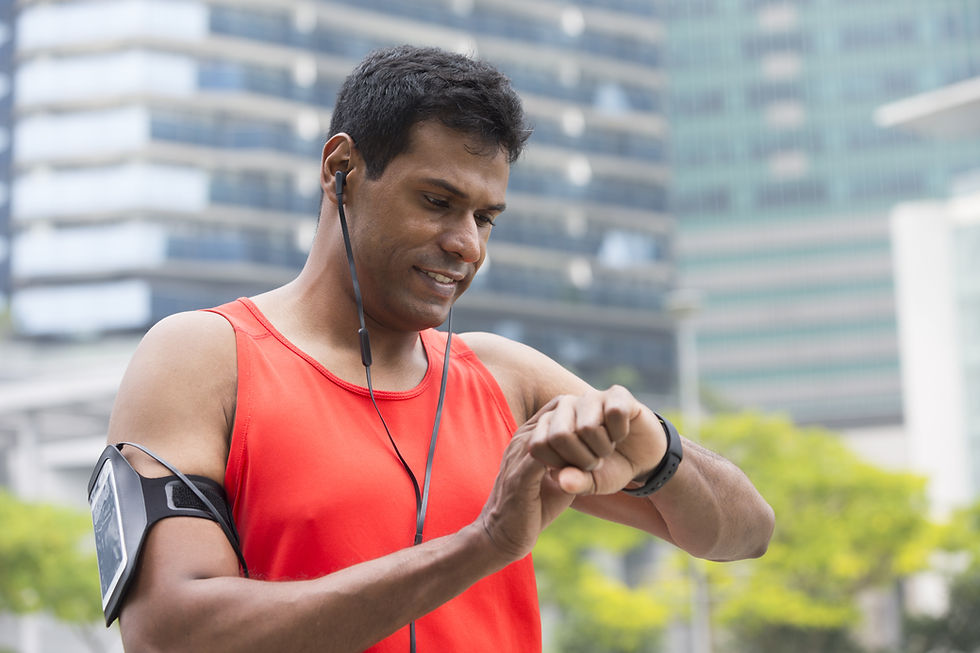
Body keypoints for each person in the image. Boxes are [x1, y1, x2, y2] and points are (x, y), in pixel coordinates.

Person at [105, 45, 774, 653]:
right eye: (437, 201)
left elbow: (746, 532)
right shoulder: (203, 356)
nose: (467, 244)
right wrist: (482, 545)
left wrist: (655, 449)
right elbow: (170, 632)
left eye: (485, 218)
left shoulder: (506, 378)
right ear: (341, 170)